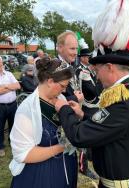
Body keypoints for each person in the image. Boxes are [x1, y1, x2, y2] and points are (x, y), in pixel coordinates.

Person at [55, 0, 129, 187]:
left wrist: (63, 109)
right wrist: (83, 114)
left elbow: (79, 136)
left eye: (97, 69)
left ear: (109, 67)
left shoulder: (122, 100)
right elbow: (108, 122)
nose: (97, 76)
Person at [9, 57, 78, 188]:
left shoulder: (61, 98)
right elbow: (23, 154)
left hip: (67, 165)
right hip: (42, 174)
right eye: (63, 86)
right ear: (50, 81)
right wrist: (62, 147)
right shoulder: (27, 110)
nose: (64, 90)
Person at [75, 48, 102, 179]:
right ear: (82, 57)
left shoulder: (87, 69)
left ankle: (91, 156)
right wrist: (101, 80)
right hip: (87, 106)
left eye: (89, 56)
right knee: (85, 137)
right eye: (87, 56)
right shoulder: (81, 71)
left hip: (93, 106)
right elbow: (93, 91)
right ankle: (83, 167)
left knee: (93, 134)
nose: (89, 58)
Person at [56, 31, 84, 102]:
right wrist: (75, 98)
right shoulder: (54, 68)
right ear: (60, 48)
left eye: (76, 49)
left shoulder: (69, 64)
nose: (76, 53)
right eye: (72, 48)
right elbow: (51, 100)